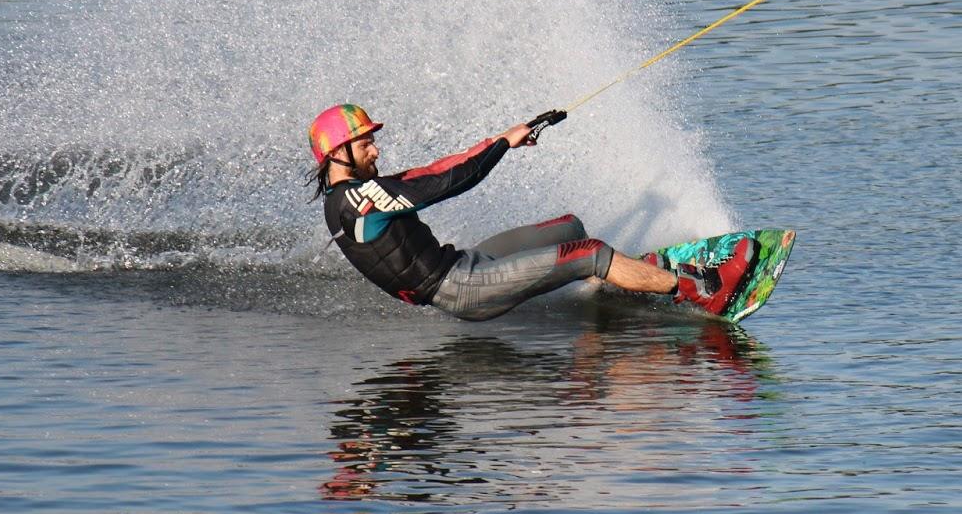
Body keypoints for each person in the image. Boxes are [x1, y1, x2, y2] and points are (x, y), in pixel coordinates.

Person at [307, 103, 754, 322]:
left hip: (462, 264)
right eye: (365, 142)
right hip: (461, 289)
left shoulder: (355, 192)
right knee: (589, 252)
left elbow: (432, 169)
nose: (375, 148)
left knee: (568, 228)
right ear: (338, 152)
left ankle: (627, 279)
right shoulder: (360, 200)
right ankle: (701, 289)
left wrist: (505, 135)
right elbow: (450, 182)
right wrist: (503, 147)